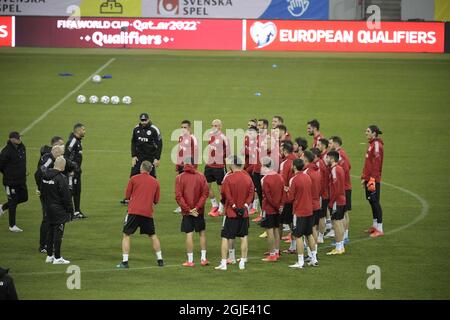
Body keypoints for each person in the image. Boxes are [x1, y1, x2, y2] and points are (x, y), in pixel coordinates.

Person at [117, 161, 163, 268]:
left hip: (133, 211)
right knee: (152, 235)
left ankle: (125, 262)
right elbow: (156, 200)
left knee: (126, 234)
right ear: (150, 170)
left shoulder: (134, 179)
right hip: (147, 212)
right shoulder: (155, 182)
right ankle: (160, 260)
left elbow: (127, 195)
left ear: (141, 168)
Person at [215, 156, 254, 271]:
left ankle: (224, 263)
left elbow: (225, 194)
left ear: (232, 165)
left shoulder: (228, 178)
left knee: (225, 237)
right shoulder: (248, 178)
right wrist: (245, 206)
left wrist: (234, 206)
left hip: (232, 213)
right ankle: (242, 261)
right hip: (244, 213)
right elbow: (251, 194)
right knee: (244, 237)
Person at [175, 157, 210, 267]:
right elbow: (205, 194)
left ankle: (190, 260)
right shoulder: (201, 176)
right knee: (202, 233)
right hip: (199, 211)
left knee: (189, 234)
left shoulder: (179, 178)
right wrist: (197, 208)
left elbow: (178, 196)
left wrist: (188, 209)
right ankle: (203, 259)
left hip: (187, 212)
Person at [121, 113, 162, 204]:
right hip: (139, 157)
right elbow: (133, 142)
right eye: (142, 120)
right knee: (133, 176)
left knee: (152, 177)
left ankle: (152, 197)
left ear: (148, 119)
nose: (143, 122)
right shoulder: (136, 129)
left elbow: (159, 144)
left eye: (145, 120)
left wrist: (157, 158)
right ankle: (130, 197)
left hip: (150, 157)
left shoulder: (154, 129)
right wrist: (133, 156)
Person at [285, 158, 318, 268]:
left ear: (294, 167)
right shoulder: (307, 177)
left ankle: (300, 261)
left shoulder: (293, 180)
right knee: (309, 234)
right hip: (309, 210)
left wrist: (286, 191)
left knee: (298, 236)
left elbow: (290, 198)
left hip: (299, 211)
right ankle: (314, 258)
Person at [41, 157, 73, 264]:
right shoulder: (61, 178)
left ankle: (49, 256)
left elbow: (42, 191)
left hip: (48, 208)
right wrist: (70, 210)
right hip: (59, 210)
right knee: (58, 234)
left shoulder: (45, 176)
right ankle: (58, 258)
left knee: (50, 232)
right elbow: (66, 197)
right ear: (62, 166)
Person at [0, 132, 28, 232]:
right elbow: (1, 166)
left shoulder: (22, 147)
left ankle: (3, 207)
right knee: (13, 202)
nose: (19, 139)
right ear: (12, 139)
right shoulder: (6, 151)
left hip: (21, 180)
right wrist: (9, 174)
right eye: (17, 138)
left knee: (24, 197)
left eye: (20, 137)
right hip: (10, 182)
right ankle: (12, 226)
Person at [361, 125, 384, 238]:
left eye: (368, 131)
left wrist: (372, 179)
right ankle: (375, 226)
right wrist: (364, 178)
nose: (366, 133)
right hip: (369, 179)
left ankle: (380, 228)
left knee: (375, 201)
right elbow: (368, 163)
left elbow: (376, 163)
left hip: (372, 179)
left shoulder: (376, 145)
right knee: (371, 201)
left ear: (374, 133)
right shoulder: (372, 144)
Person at [260, 157, 284, 262]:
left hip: (269, 208)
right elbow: (283, 192)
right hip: (278, 208)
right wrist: (281, 206)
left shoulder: (264, 179)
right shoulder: (280, 177)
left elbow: (268, 197)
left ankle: (272, 254)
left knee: (269, 230)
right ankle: (277, 251)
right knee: (276, 229)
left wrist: (276, 206)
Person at [205, 119, 230, 217]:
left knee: (221, 189)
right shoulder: (211, 135)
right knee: (206, 187)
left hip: (219, 166)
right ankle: (214, 205)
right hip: (209, 165)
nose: (214, 127)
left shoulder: (224, 138)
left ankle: (221, 208)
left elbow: (228, 153)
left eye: (216, 125)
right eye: (212, 125)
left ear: (220, 126)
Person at [329, 136, 352, 243]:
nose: (329, 145)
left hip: (344, 187)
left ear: (336, 144)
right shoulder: (341, 154)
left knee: (343, 214)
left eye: (330, 143)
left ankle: (344, 236)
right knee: (344, 213)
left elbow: (347, 167)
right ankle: (343, 236)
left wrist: (341, 177)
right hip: (344, 187)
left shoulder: (340, 155)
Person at [173, 120, 198, 213]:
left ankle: (192, 205)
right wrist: (177, 165)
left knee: (189, 187)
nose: (183, 129)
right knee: (181, 187)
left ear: (189, 128)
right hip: (181, 166)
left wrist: (194, 167)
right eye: (182, 127)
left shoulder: (193, 138)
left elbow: (196, 153)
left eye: (185, 127)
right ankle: (182, 206)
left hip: (189, 166)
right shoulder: (181, 137)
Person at [325, 151, 346, 255]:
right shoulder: (339, 168)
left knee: (336, 223)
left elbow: (336, 188)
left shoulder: (334, 170)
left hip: (336, 201)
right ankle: (341, 246)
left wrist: (331, 201)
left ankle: (338, 247)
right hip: (341, 199)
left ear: (332, 159)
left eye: (327, 158)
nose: (326, 159)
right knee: (340, 222)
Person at [301, 150, 321, 259]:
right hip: (317, 203)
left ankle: (310, 254)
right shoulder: (316, 171)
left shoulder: (307, 172)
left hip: (309, 205)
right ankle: (314, 252)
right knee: (314, 229)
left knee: (308, 231)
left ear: (305, 159)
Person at [65, 123, 87, 219]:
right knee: (71, 191)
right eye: (83, 129)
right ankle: (70, 213)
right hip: (72, 172)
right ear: (78, 131)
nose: (84, 131)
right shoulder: (73, 141)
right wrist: (71, 169)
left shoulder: (78, 141)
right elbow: (66, 156)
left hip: (77, 171)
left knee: (77, 191)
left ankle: (77, 211)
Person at [279, 141, 298, 253]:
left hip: (286, 197)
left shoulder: (285, 163)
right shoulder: (296, 159)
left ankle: (276, 249)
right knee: (293, 222)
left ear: (285, 151)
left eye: (281, 149)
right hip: (296, 196)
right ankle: (294, 245)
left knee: (281, 223)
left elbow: (282, 181)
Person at [310, 147, 328, 244]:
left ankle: (321, 236)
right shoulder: (317, 163)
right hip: (319, 193)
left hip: (321, 194)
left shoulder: (319, 164)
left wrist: (318, 193)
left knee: (321, 215)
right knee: (319, 215)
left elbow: (320, 181)